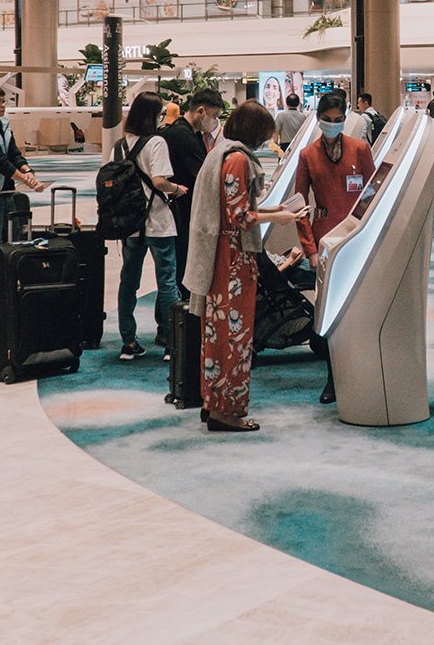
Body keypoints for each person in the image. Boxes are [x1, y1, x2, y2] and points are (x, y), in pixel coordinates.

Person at [183, 100, 307, 432]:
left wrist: (271, 209)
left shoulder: (222, 153)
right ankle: (228, 410)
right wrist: (277, 216)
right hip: (233, 259)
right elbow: (239, 216)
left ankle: (214, 402)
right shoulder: (238, 160)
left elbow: (233, 208)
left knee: (217, 334)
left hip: (221, 254)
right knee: (234, 337)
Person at [293, 92, 376, 403]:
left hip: (355, 240)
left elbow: (372, 195)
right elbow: (300, 205)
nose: (332, 125)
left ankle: (360, 373)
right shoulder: (307, 156)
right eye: (326, 120)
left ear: (345, 119)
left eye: (337, 119)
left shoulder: (360, 149)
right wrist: (310, 250)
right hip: (324, 243)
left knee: (358, 310)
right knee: (328, 313)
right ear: (318, 119)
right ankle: (332, 377)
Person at [116, 91, 187, 361]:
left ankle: (128, 341)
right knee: (167, 282)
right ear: (151, 116)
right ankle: (173, 342)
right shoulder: (156, 142)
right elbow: (159, 181)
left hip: (131, 224)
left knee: (128, 282)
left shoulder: (121, 144)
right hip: (158, 222)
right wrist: (176, 188)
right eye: (159, 114)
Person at [0, 84, 44, 302]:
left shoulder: (4, 125)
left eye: (5, 101)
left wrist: (27, 170)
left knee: (9, 240)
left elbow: (13, 153)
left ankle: (4, 284)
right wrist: (27, 180)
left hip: (5, 192)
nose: (3, 106)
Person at [159, 88, 225, 319]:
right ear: (201, 111)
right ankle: (172, 325)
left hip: (183, 211)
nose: (214, 121)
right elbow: (200, 178)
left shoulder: (187, 134)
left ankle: (171, 324)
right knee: (179, 268)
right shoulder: (183, 137)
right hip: (181, 212)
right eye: (214, 116)